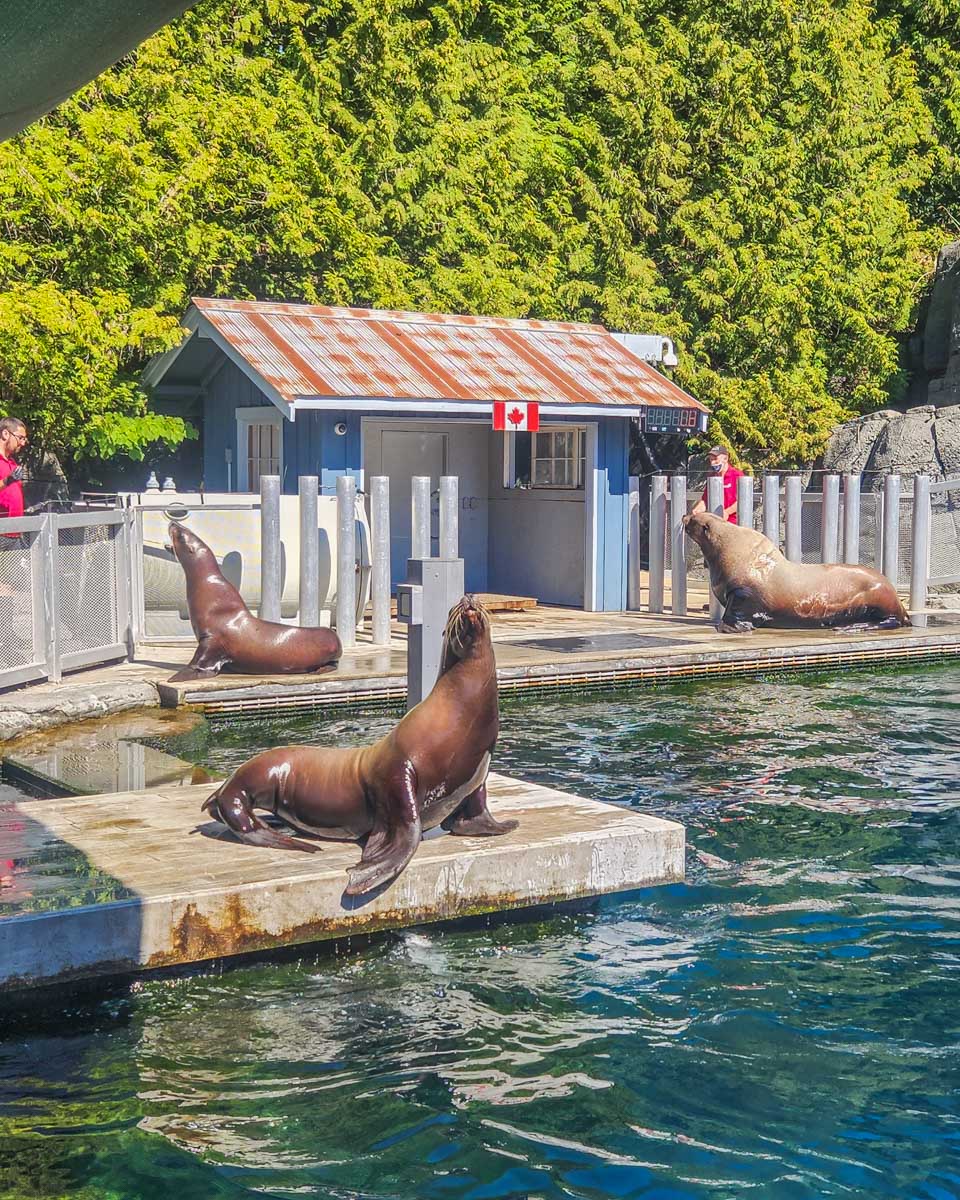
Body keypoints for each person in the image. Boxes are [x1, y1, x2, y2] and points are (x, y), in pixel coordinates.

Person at [692, 445, 744, 524]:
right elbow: (706, 500)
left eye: (715, 459)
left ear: (725, 458)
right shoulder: (711, 476)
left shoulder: (737, 475)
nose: (713, 463)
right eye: (711, 459)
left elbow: (742, 500)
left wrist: (727, 512)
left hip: (733, 524)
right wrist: (698, 509)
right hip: (715, 523)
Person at [0, 416, 28, 521]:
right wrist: (7, 481)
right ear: (5, 434)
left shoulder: (12, 463)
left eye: (25, 439)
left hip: (16, 531)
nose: (23, 443)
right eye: (20, 438)